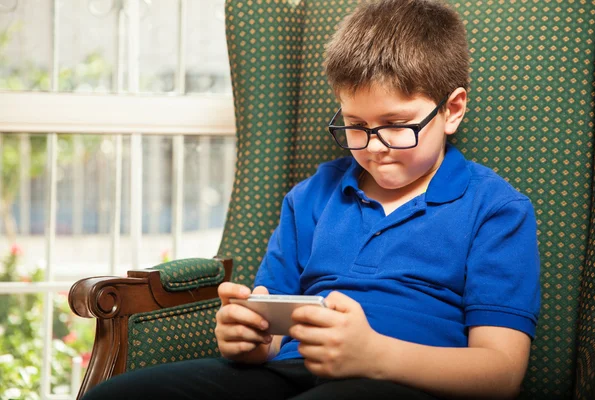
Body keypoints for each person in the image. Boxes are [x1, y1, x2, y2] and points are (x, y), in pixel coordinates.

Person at [82, 0, 540, 399]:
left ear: (452, 110)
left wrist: (375, 356)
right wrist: (252, 338)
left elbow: (500, 373)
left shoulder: (496, 210)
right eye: (355, 125)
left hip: (407, 381)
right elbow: (274, 324)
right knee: (120, 393)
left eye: (397, 125)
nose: (374, 146)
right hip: (290, 371)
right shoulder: (312, 197)